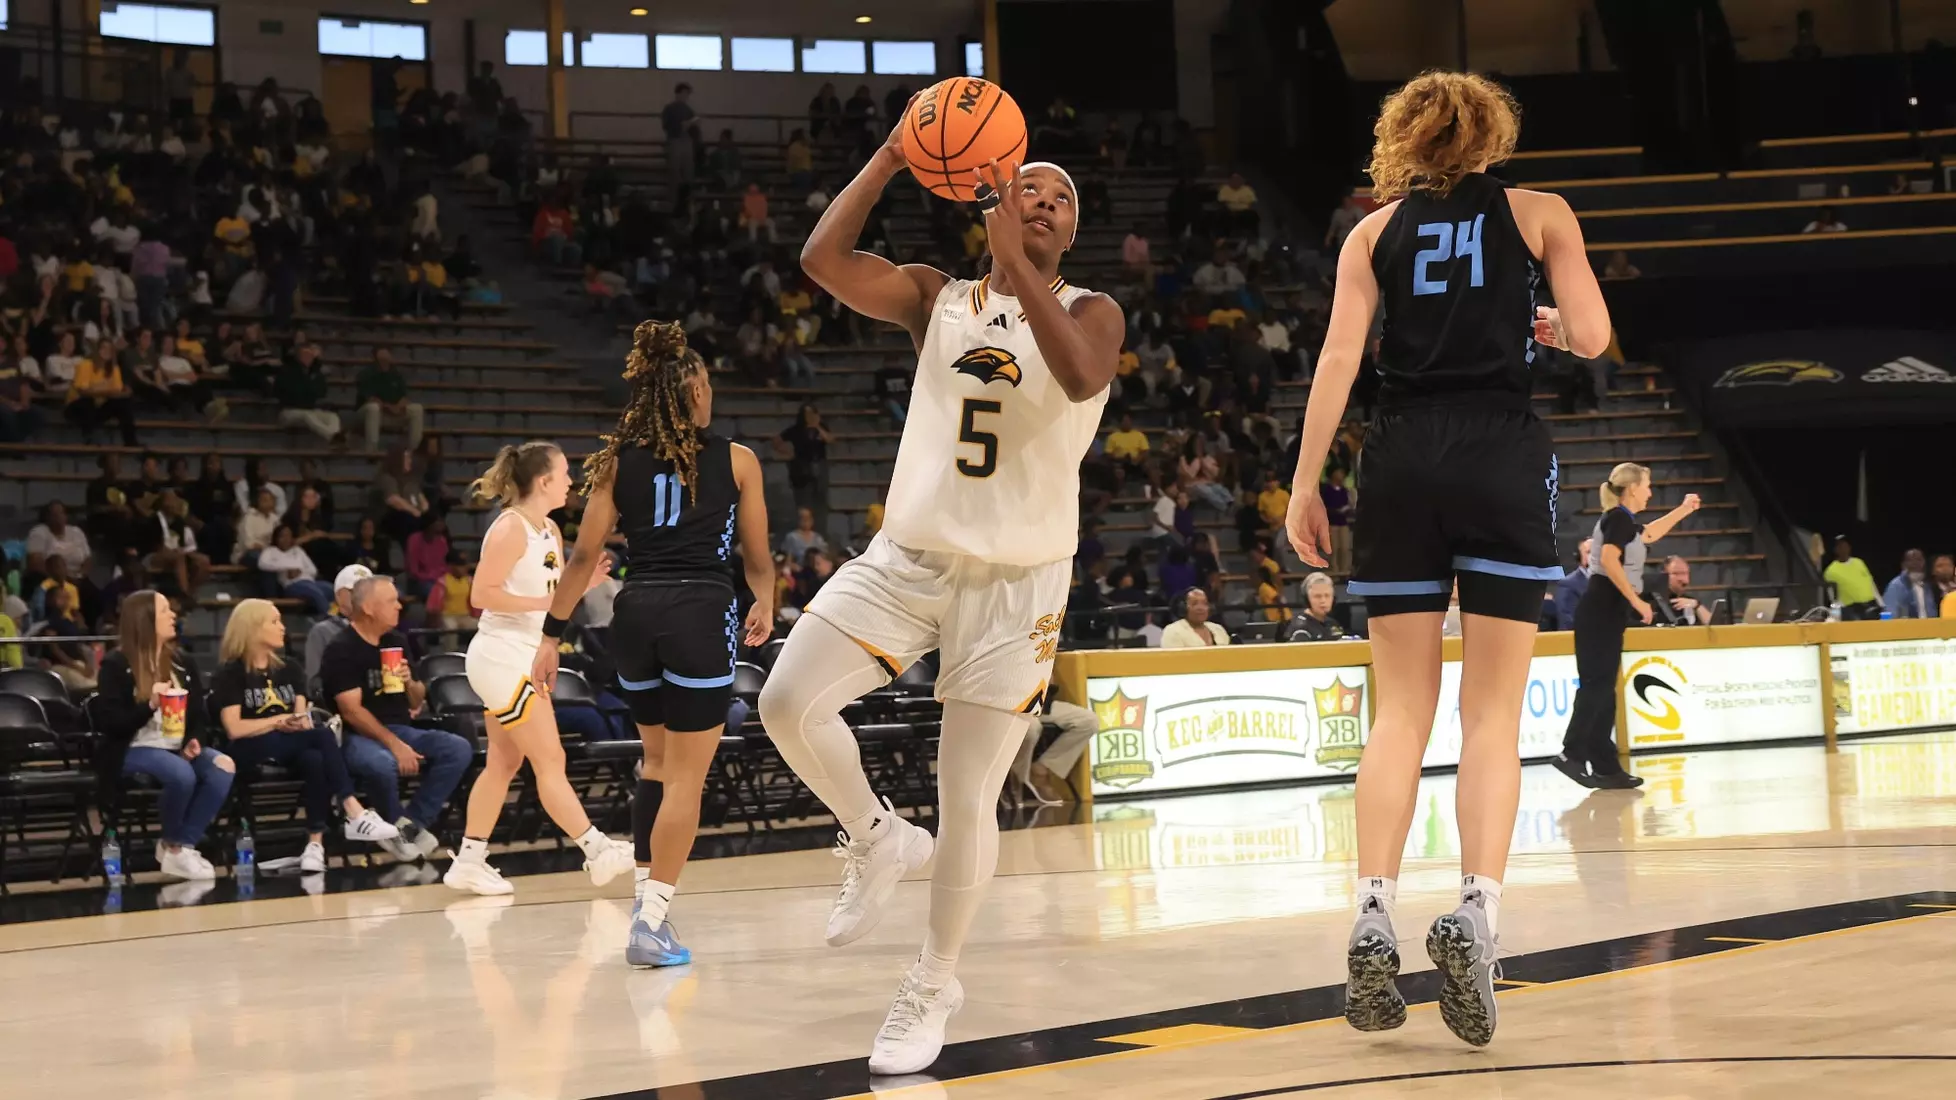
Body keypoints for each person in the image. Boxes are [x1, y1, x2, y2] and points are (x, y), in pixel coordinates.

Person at [762, 113, 1123, 1075]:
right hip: (910, 557)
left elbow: (1083, 378)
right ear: (990, 195)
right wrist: (890, 155)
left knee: (969, 796)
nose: (1043, 203)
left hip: (1018, 582)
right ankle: (876, 835)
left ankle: (933, 978)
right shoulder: (937, 298)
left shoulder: (1093, 311)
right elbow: (822, 258)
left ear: (1069, 233)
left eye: (1060, 201)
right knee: (786, 701)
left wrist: (1022, 269)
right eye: (1029, 189)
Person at [1282, 71, 1616, 1050]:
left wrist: (1307, 483)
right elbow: (1593, 336)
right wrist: (1549, 325)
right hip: (1501, 449)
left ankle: (1373, 910)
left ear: (1404, 140)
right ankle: (1474, 911)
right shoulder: (1539, 210)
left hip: (1399, 456)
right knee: (1492, 713)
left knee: (1399, 711)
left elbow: (1340, 362)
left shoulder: (1369, 234)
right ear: (1493, 135)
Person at [529, 323, 774, 961]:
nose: (712, 394)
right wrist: (766, 600)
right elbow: (757, 557)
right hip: (699, 610)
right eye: (708, 385)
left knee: (657, 765)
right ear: (691, 392)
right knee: (688, 780)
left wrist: (551, 636)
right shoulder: (738, 459)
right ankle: (652, 921)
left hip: (635, 614)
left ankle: (645, 905)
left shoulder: (616, 463)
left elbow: (583, 558)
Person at [437, 441, 636, 896]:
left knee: (504, 763)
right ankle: (596, 849)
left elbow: (551, 600)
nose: (571, 481)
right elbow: (481, 595)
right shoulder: (510, 528)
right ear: (544, 480)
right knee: (551, 759)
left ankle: (468, 860)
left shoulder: (547, 527)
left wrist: (583, 584)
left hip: (524, 652)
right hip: (500, 652)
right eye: (565, 473)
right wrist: (550, 600)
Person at [211, 599, 400, 873]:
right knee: (320, 740)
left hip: (289, 743)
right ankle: (354, 810)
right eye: (274, 621)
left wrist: (294, 724)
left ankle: (314, 845)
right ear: (252, 628)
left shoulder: (290, 668)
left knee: (314, 757)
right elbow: (235, 728)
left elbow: (302, 720)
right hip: (247, 748)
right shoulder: (231, 673)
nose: (282, 627)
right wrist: (278, 721)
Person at [1557, 463, 1701, 791]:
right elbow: (1608, 559)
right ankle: (1572, 754)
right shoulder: (1617, 517)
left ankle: (1607, 768)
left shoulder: (1624, 521)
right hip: (1599, 611)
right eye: (1648, 485)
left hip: (1606, 613)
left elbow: (1650, 534)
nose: (1651, 492)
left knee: (1604, 689)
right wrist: (1637, 602)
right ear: (1633, 487)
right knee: (1596, 685)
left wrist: (1682, 510)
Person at [321, 575, 475, 862]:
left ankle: (408, 826)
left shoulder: (397, 641)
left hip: (402, 727)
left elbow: (417, 700)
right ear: (368, 607)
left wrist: (409, 682)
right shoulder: (341, 648)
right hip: (357, 735)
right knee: (381, 762)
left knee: (457, 748)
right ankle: (403, 831)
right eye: (391, 601)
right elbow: (351, 711)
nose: (400, 607)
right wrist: (395, 744)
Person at [92, 590, 235, 881]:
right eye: (165, 611)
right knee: (181, 774)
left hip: (175, 746)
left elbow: (198, 716)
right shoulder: (116, 665)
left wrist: (196, 740)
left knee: (223, 765)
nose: (173, 616)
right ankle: (174, 845)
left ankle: (181, 845)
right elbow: (112, 724)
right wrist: (150, 705)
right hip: (133, 748)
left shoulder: (183, 663)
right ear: (144, 620)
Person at [306, 565, 372, 699]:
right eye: (354, 591)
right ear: (339, 596)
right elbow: (314, 684)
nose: (361, 597)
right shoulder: (322, 631)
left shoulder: (381, 630)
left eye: (367, 592)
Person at [357, 347, 425, 452]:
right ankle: (371, 451)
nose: (385, 363)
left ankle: (413, 451)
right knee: (373, 408)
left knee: (417, 409)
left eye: (387, 360)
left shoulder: (396, 375)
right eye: (382, 361)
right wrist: (387, 407)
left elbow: (404, 397)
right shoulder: (366, 374)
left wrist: (397, 407)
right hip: (371, 414)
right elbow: (369, 398)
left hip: (394, 413)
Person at [257, 524, 335, 615]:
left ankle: (338, 615)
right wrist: (287, 569)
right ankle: (330, 618)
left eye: (288, 536)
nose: (286, 539)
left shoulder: (298, 550)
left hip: (310, 581)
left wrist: (300, 571)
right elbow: (262, 564)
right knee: (316, 593)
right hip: (292, 585)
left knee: (333, 590)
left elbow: (313, 570)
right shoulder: (270, 551)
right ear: (276, 538)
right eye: (282, 536)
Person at [1824, 535, 1881, 620]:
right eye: (1840, 546)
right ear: (1835, 550)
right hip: (1850, 610)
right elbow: (1832, 597)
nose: (1843, 548)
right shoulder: (1830, 571)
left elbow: (1871, 584)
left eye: (1845, 545)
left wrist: (1881, 604)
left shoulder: (1859, 562)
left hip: (1870, 605)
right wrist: (1837, 615)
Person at [1286, 572, 1348, 641]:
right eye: (1317, 596)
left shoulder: (1333, 623)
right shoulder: (1300, 628)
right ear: (1307, 599)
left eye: (1327, 595)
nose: (1323, 600)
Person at [1160, 586, 1230, 647]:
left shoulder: (1218, 629)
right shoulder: (1173, 631)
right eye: (1194, 604)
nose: (1200, 608)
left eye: (1204, 603)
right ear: (1183, 608)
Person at [1653, 554, 1711, 626]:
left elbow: (1714, 627)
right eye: (1677, 573)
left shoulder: (1691, 601)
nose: (1684, 580)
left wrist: (1697, 606)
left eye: (1685, 574)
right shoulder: (1652, 602)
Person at [1881, 548, 1937, 619]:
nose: (1915, 563)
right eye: (1910, 560)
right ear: (1903, 564)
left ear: (1924, 562)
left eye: (1919, 559)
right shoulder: (1895, 586)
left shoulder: (1928, 585)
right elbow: (1890, 614)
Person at [1553, 538, 1591, 631]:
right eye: (1589, 552)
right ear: (1578, 556)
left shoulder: (1612, 581)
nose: (1595, 557)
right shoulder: (1568, 584)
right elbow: (1568, 622)